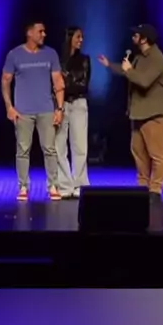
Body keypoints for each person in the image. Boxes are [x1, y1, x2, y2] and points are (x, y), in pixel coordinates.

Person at [99, 23, 163, 202]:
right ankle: (143, 186)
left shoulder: (156, 58)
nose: (133, 37)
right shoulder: (139, 56)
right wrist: (111, 65)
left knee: (156, 153)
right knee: (138, 151)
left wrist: (129, 70)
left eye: (136, 35)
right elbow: (128, 72)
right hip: (138, 112)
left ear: (144, 39)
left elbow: (144, 81)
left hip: (154, 114)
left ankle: (156, 189)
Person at [2, 21, 65, 201]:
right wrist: (9, 107)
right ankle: (23, 186)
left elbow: (58, 82)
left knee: (50, 149)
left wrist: (59, 109)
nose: (44, 34)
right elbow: (5, 81)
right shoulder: (15, 55)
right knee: (22, 150)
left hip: (46, 110)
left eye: (44, 31)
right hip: (23, 111)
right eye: (40, 31)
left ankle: (53, 185)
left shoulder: (50, 53)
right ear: (29, 33)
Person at [56, 26, 91, 198]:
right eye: (78, 36)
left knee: (79, 145)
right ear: (69, 37)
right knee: (59, 146)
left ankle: (80, 184)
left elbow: (83, 85)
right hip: (60, 104)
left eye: (82, 37)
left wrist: (66, 81)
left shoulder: (84, 60)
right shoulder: (58, 59)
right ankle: (64, 185)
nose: (81, 40)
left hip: (78, 103)